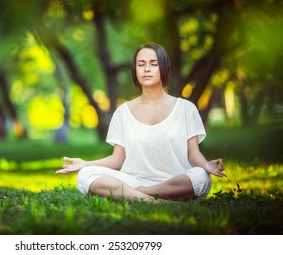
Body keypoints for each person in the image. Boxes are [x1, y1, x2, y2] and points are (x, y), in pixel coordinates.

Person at [56, 43, 226, 202]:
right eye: (141, 64)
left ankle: (137, 194)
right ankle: (154, 201)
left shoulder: (186, 108)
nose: (146, 69)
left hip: (176, 180)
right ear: (135, 69)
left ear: (164, 68)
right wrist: (85, 163)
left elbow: (193, 154)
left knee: (201, 177)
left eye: (153, 63)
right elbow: (117, 159)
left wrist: (205, 165)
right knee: (85, 175)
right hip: (134, 179)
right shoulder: (123, 112)